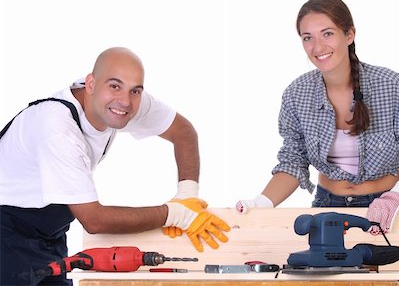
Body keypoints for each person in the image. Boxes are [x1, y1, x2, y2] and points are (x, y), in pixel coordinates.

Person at [235, 0, 399, 286]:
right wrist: (260, 202)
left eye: (328, 34)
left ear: (350, 34)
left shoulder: (392, 86)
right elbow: (293, 163)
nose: (318, 47)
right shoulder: (297, 94)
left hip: (383, 211)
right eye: (307, 38)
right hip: (325, 210)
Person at [0, 47, 230, 285]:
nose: (125, 101)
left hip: (49, 232)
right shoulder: (56, 127)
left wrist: (187, 195)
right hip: (7, 233)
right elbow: (94, 220)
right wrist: (176, 214)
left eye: (135, 90)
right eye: (114, 86)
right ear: (90, 84)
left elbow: (183, 132)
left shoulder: (122, 102)